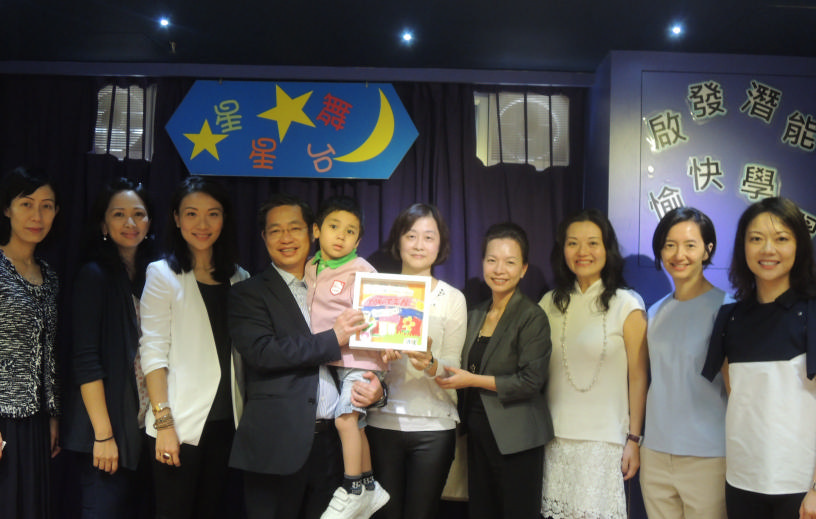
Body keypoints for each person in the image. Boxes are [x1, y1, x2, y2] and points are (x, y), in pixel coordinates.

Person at [228, 193, 384, 519]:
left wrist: (379, 390)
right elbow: (263, 353)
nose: (286, 238)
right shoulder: (248, 293)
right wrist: (334, 338)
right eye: (275, 230)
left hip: (331, 447)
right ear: (264, 237)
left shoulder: (343, 283)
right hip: (276, 448)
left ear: (311, 231)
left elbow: (371, 345)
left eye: (294, 228)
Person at [139, 176, 249, 519]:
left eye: (212, 214)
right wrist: (164, 424)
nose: (202, 224)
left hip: (226, 424)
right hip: (180, 426)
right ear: (176, 218)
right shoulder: (162, 274)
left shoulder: (239, 278)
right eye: (191, 214)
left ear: (224, 219)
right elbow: (153, 353)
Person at [703, 197, 816, 519]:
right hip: (742, 480)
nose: (768, 249)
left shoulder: (811, 313)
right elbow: (737, 397)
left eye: (781, 239)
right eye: (756, 239)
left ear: (799, 247)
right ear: (743, 247)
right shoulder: (730, 318)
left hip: (798, 485)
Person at [436, 222, 552, 519]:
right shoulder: (475, 312)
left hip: (517, 438)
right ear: (482, 263)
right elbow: (456, 365)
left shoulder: (532, 316)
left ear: (524, 268)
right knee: (481, 511)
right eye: (492, 260)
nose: (499, 269)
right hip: (476, 433)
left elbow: (530, 381)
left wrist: (472, 380)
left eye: (510, 262)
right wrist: (429, 361)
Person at [539, 209, 648, 519]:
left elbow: (638, 378)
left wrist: (634, 439)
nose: (582, 252)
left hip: (605, 442)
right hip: (555, 439)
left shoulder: (627, 304)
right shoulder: (549, 302)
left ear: (607, 249)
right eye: (573, 243)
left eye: (592, 243)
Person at [62, 178, 157, 518]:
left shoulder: (154, 276)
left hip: (143, 429)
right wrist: (103, 435)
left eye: (139, 214)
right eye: (118, 215)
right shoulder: (94, 275)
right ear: (103, 223)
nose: (130, 224)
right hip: (105, 434)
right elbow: (85, 360)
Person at [366, 203, 467, 519]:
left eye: (428, 237)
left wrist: (431, 363)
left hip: (434, 427)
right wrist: (378, 356)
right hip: (382, 423)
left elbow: (452, 365)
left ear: (440, 244)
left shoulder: (452, 298)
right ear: (398, 242)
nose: (419, 245)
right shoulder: (378, 290)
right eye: (411, 236)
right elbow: (360, 359)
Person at [640, 207, 730, 519]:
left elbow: (738, 393)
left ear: (708, 250)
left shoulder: (727, 308)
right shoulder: (654, 312)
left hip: (708, 457)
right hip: (654, 453)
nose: (679, 254)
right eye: (669, 245)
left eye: (690, 245)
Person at [304, 195, 389, 519]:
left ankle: (353, 487)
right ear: (316, 230)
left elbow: (382, 315)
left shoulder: (362, 271)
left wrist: (387, 348)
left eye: (350, 231)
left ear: (360, 239)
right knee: (357, 424)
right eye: (334, 227)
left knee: (345, 419)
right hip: (332, 361)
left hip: (362, 361)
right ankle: (369, 486)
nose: (341, 235)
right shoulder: (310, 267)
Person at [0, 166, 61, 519]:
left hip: (36, 420)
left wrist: (53, 416)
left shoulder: (50, 276)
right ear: (7, 209)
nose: (37, 216)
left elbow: (50, 352)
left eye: (47, 206)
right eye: (26, 204)